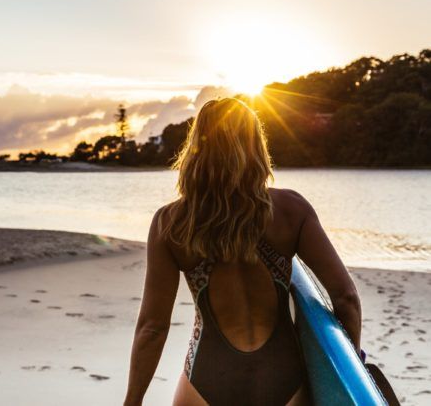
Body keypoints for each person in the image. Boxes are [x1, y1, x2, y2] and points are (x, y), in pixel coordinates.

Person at [124, 97, 362, 406]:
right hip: (284, 379)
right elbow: (346, 297)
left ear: (197, 148)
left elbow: (153, 327)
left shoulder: (170, 224)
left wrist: (133, 400)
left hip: (207, 379)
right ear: (256, 145)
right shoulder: (292, 210)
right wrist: (349, 370)